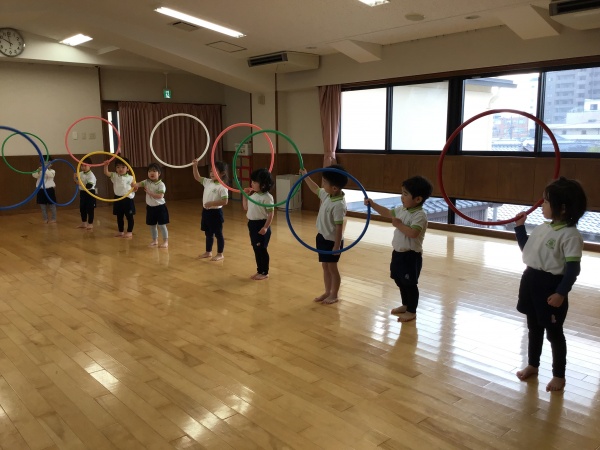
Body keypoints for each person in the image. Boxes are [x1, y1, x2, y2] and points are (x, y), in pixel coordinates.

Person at [513, 177, 587, 393]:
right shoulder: (542, 228)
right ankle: (533, 364)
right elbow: (528, 251)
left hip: (551, 286)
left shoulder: (570, 236)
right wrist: (520, 228)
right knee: (533, 328)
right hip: (530, 279)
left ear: (562, 208)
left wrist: (561, 293)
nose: (541, 205)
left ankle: (559, 375)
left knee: (554, 333)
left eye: (545, 202)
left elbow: (573, 269)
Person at [364, 176, 433, 323]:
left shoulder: (420, 215)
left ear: (418, 199)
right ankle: (406, 304)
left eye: (405, 194)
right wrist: (373, 204)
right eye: (402, 193)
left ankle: (411, 311)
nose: (402, 197)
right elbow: (387, 213)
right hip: (398, 253)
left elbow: (413, 233)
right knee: (399, 279)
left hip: (411, 256)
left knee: (410, 284)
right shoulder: (402, 209)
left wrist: (399, 225)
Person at [300, 164, 348, 305]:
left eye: (325, 182)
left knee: (332, 268)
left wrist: (336, 246)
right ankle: (327, 291)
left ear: (334, 188)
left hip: (332, 241)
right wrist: (305, 176)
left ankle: (334, 294)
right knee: (325, 266)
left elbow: (339, 227)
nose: (323, 184)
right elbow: (315, 188)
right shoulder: (328, 194)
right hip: (322, 237)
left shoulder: (339, 204)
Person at [192, 159, 229, 261]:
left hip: (215, 213)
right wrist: (195, 166)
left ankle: (220, 254)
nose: (212, 173)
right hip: (206, 212)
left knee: (218, 234)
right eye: (211, 171)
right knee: (208, 233)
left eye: (215, 171)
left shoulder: (222, 186)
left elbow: (225, 201)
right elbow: (197, 177)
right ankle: (208, 252)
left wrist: (212, 203)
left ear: (222, 173)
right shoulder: (208, 182)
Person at [242, 168, 275, 280]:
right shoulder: (253, 195)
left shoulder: (267, 197)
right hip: (252, 224)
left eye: (255, 182)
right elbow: (245, 208)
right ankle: (259, 270)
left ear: (263, 185)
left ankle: (265, 272)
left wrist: (265, 227)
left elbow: (271, 214)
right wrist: (245, 196)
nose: (252, 184)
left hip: (262, 224)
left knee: (262, 249)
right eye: (252, 181)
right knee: (256, 249)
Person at [131, 163, 169, 248]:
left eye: (154, 171)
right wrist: (134, 185)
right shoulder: (146, 182)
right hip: (150, 207)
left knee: (162, 225)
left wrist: (150, 193)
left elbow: (160, 196)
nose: (152, 173)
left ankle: (165, 241)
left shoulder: (161, 184)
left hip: (160, 207)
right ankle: (155, 240)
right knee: (152, 225)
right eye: (149, 171)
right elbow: (138, 184)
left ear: (159, 173)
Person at [103, 157, 135, 238]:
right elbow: (106, 173)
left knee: (129, 216)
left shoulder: (131, 177)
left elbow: (134, 188)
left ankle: (129, 232)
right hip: (117, 198)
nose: (120, 169)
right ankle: (120, 231)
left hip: (128, 199)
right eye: (118, 167)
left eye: (123, 167)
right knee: (119, 216)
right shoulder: (114, 175)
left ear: (128, 168)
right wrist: (106, 165)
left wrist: (135, 188)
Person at [32, 157, 57, 224]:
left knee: (52, 205)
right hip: (41, 190)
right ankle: (45, 219)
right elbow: (34, 175)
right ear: (41, 163)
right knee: (43, 206)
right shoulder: (39, 170)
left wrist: (45, 169)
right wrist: (39, 170)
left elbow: (50, 175)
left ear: (51, 164)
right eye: (44, 163)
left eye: (48, 163)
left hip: (49, 190)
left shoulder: (52, 171)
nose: (46, 164)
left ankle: (54, 218)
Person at [73, 162, 96, 230]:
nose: (83, 167)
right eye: (82, 166)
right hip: (82, 192)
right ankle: (84, 223)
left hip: (90, 192)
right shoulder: (80, 173)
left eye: (85, 166)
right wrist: (74, 178)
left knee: (90, 208)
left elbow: (89, 186)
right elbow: (76, 182)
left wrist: (79, 182)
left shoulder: (91, 175)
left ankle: (90, 224)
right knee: (82, 208)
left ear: (90, 166)